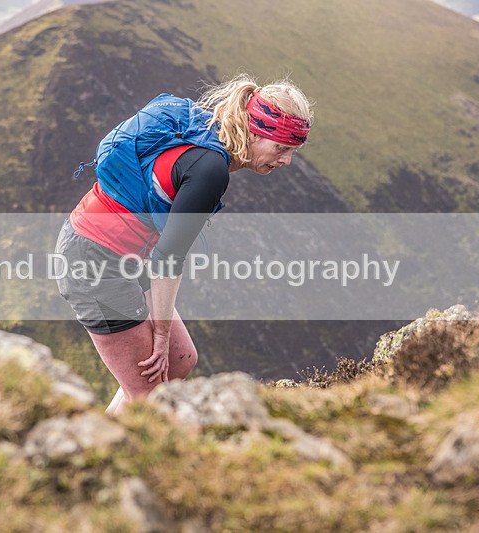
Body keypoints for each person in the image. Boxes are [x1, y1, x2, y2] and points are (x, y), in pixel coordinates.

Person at [55, 73, 313, 414]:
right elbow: (167, 259)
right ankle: (100, 458)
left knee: (179, 360)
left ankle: (108, 429)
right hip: (94, 262)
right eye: (281, 148)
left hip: (119, 252)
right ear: (255, 131)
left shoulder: (204, 129)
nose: (285, 161)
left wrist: (163, 338)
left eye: (292, 151)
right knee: (153, 400)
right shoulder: (210, 170)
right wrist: (158, 334)